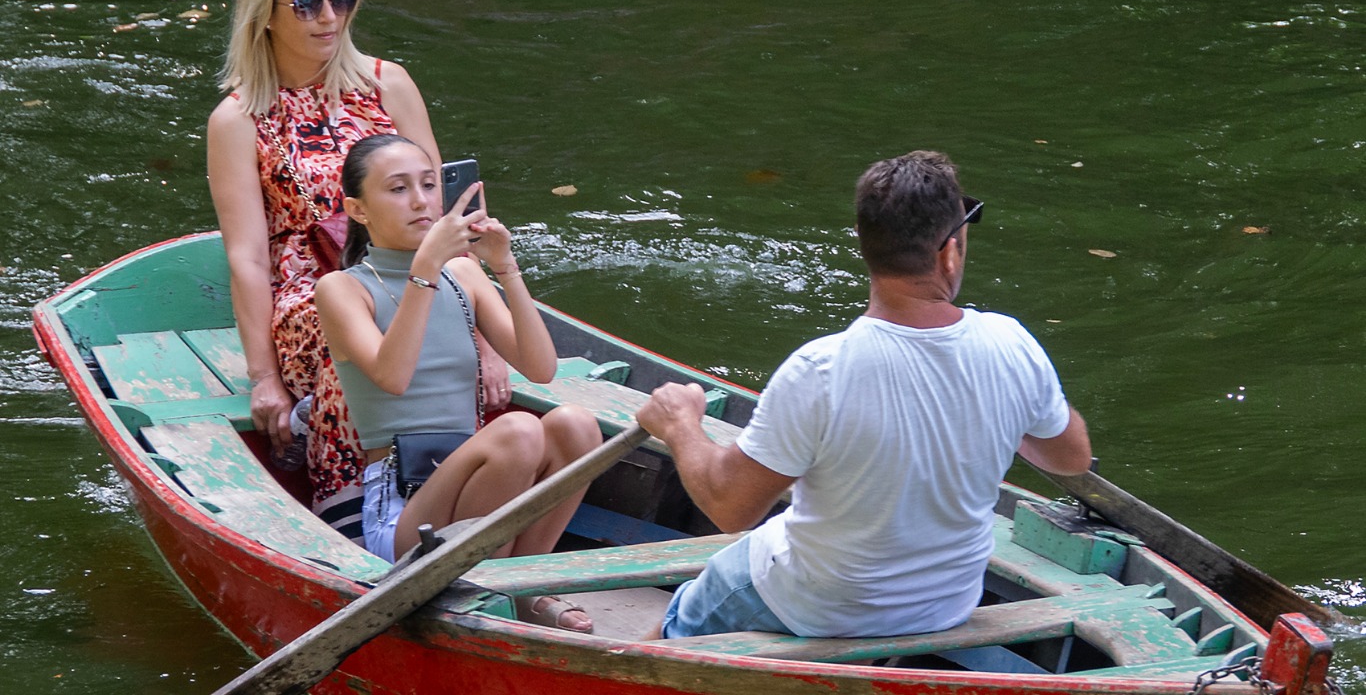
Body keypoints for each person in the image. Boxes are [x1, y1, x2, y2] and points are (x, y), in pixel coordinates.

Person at [636, 150, 1094, 640]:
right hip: (945, 605)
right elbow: (1070, 458)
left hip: (821, 607)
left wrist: (680, 424)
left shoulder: (820, 369)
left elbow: (729, 507)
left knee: (696, 602)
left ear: (865, 244)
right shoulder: (1012, 345)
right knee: (767, 543)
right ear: (949, 253)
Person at [205, 0, 511, 542]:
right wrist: (262, 377)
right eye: (307, 4)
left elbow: (444, 216)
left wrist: (487, 343)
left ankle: (462, 490)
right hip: (313, 287)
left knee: (438, 323)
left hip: (412, 267)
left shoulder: (386, 83)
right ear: (265, 13)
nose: (329, 18)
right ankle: (354, 503)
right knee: (352, 330)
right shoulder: (238, 119)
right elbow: (245, 255)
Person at [314, 134, 601, 633]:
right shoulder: (343, 289)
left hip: (480, 483)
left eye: (429, 185)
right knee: (518, 431)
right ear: (358, 210)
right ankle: (489, 583)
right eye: (398, 189)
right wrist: (425, 268)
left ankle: (521, 584)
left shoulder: (462, 274)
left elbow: (541, 368)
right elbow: (393, 376)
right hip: (404, 508)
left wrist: (504, 266)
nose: (422, 201)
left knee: (576, 425)